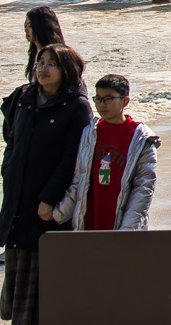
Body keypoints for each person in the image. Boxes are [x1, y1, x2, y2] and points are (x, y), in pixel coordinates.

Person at [0, 42, 91, 325]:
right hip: (19, 196)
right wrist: (8, 169)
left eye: (51, 64)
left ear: (67, 70)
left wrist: (50, 198)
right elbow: (12, 141)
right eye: (40, 63)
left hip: (51, 200)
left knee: (47, 267)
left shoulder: (76, 106)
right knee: (22, 260)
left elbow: (73, 159)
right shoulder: (26, 98)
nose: (43, 69)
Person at [57, 72, 158, 230]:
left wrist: (127, 230)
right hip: (90, 220)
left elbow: (143, 189)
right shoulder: (90, 132)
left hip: (121, 223)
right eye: (98, 98)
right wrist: (58, 213)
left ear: (125, 101)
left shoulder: (141, 138)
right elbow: (79, 179)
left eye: (108, 99)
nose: (102, 104)